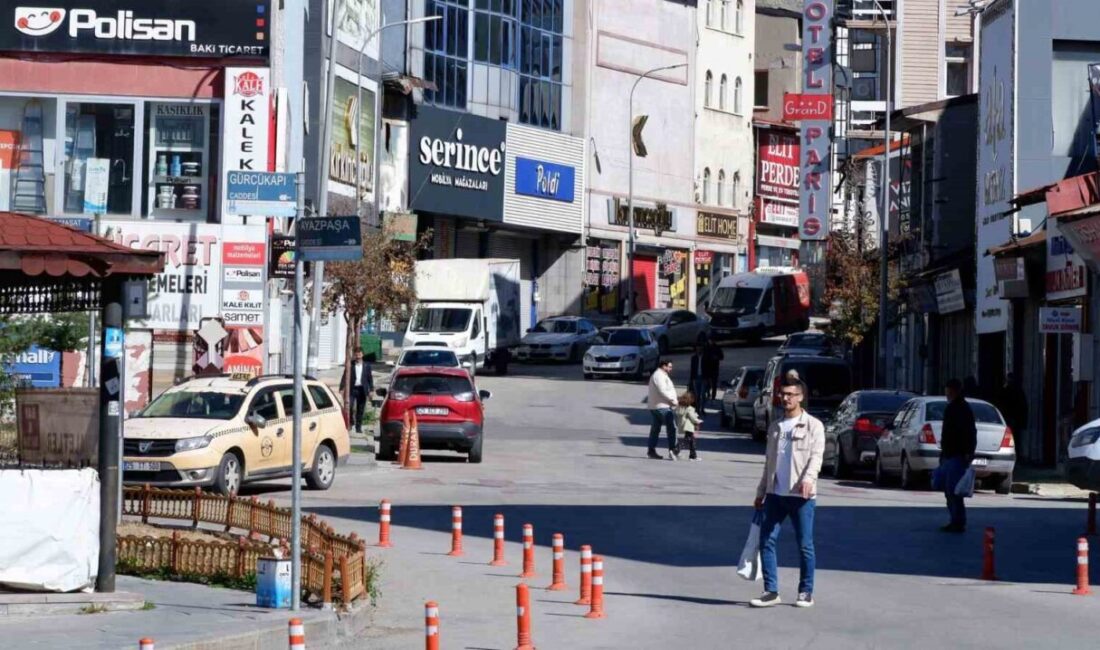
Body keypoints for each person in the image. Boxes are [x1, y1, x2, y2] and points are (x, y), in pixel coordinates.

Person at [750, 374, 824, 609]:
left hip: (801, 496)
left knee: (805, 545)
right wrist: (761, 491)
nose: (785, 398)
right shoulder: (775, 427)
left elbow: (816, 457)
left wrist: (809, 480)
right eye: (782, 394)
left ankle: (805, 591)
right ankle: (771, 591)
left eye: (791, 395)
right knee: (766, 541)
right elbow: (769, 462)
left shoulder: (814, 426)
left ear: (800, 397)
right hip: (775, 494)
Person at [940, 378, 977, 533]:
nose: (947, 394)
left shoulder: (961, 408)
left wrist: (968, 452)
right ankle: (955, 520)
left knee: (954, 490)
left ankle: (958, 521)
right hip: (950, 454)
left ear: (955, 391)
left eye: (949, 391)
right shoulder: (952, 407)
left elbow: (969, 433)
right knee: (949, 490)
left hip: (957, 454)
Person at [647, 359, 680, 460]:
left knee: (655, 429)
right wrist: (673, 401)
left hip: (657, 406)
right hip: (662, 406)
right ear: (663, 366)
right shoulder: (659, 375)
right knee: (672, 428)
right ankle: (673, 450)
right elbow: (662, 391)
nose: (671, 369)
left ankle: (651, 451)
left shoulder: (660, 375)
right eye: (669, 367)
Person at [339, 350, 374, 434]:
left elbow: (370, 378)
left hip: (362, 389)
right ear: (354, 355)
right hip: (352, 389)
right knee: (349, 406)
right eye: (356, 355)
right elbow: (344, 376)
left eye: (359, 354)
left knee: (360, 409)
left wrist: (371, 390)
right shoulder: (350, 365)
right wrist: (341, 388)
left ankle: (358, 427)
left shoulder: (367, 366)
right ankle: (351, 422)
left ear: (362, 355)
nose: (358, 356)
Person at [996, 372, 1028, 445]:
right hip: (1015, 419)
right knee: (1015, 439)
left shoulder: (1007, 390)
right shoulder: (1018, 391)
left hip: (1011, 418)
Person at [675, 391, 703, 461]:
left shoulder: (680, 407)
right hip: (689, 426)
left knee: (691, 441)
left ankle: (692, 456)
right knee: (688, 440)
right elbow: (692, 418)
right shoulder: (689, 408)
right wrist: (698, 421)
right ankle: (676, 450)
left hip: (684, 426)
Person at [702, 338, 725, 402]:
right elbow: (703, 358)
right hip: (707, 368)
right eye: (710, 340)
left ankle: (713, 397)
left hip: (714, 368)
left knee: (714, 384)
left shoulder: (717, 348)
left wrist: (716, 357)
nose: (711, 341)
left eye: (712, 340)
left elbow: (721, 356)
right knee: (707, 384)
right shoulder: (706, 348)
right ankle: (708, 394)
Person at [688, 346, 707, 416]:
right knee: (697, 395)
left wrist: (708, 379)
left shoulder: (705, 358)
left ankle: (702, 409)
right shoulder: (694, 358)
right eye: (697, 349)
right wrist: (691, 380)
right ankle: (697, 409)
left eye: (700, 349)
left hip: (703, 378)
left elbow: (708, 369)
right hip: (696, 378)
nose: (699, 351)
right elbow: (692, 369)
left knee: (703, 395)